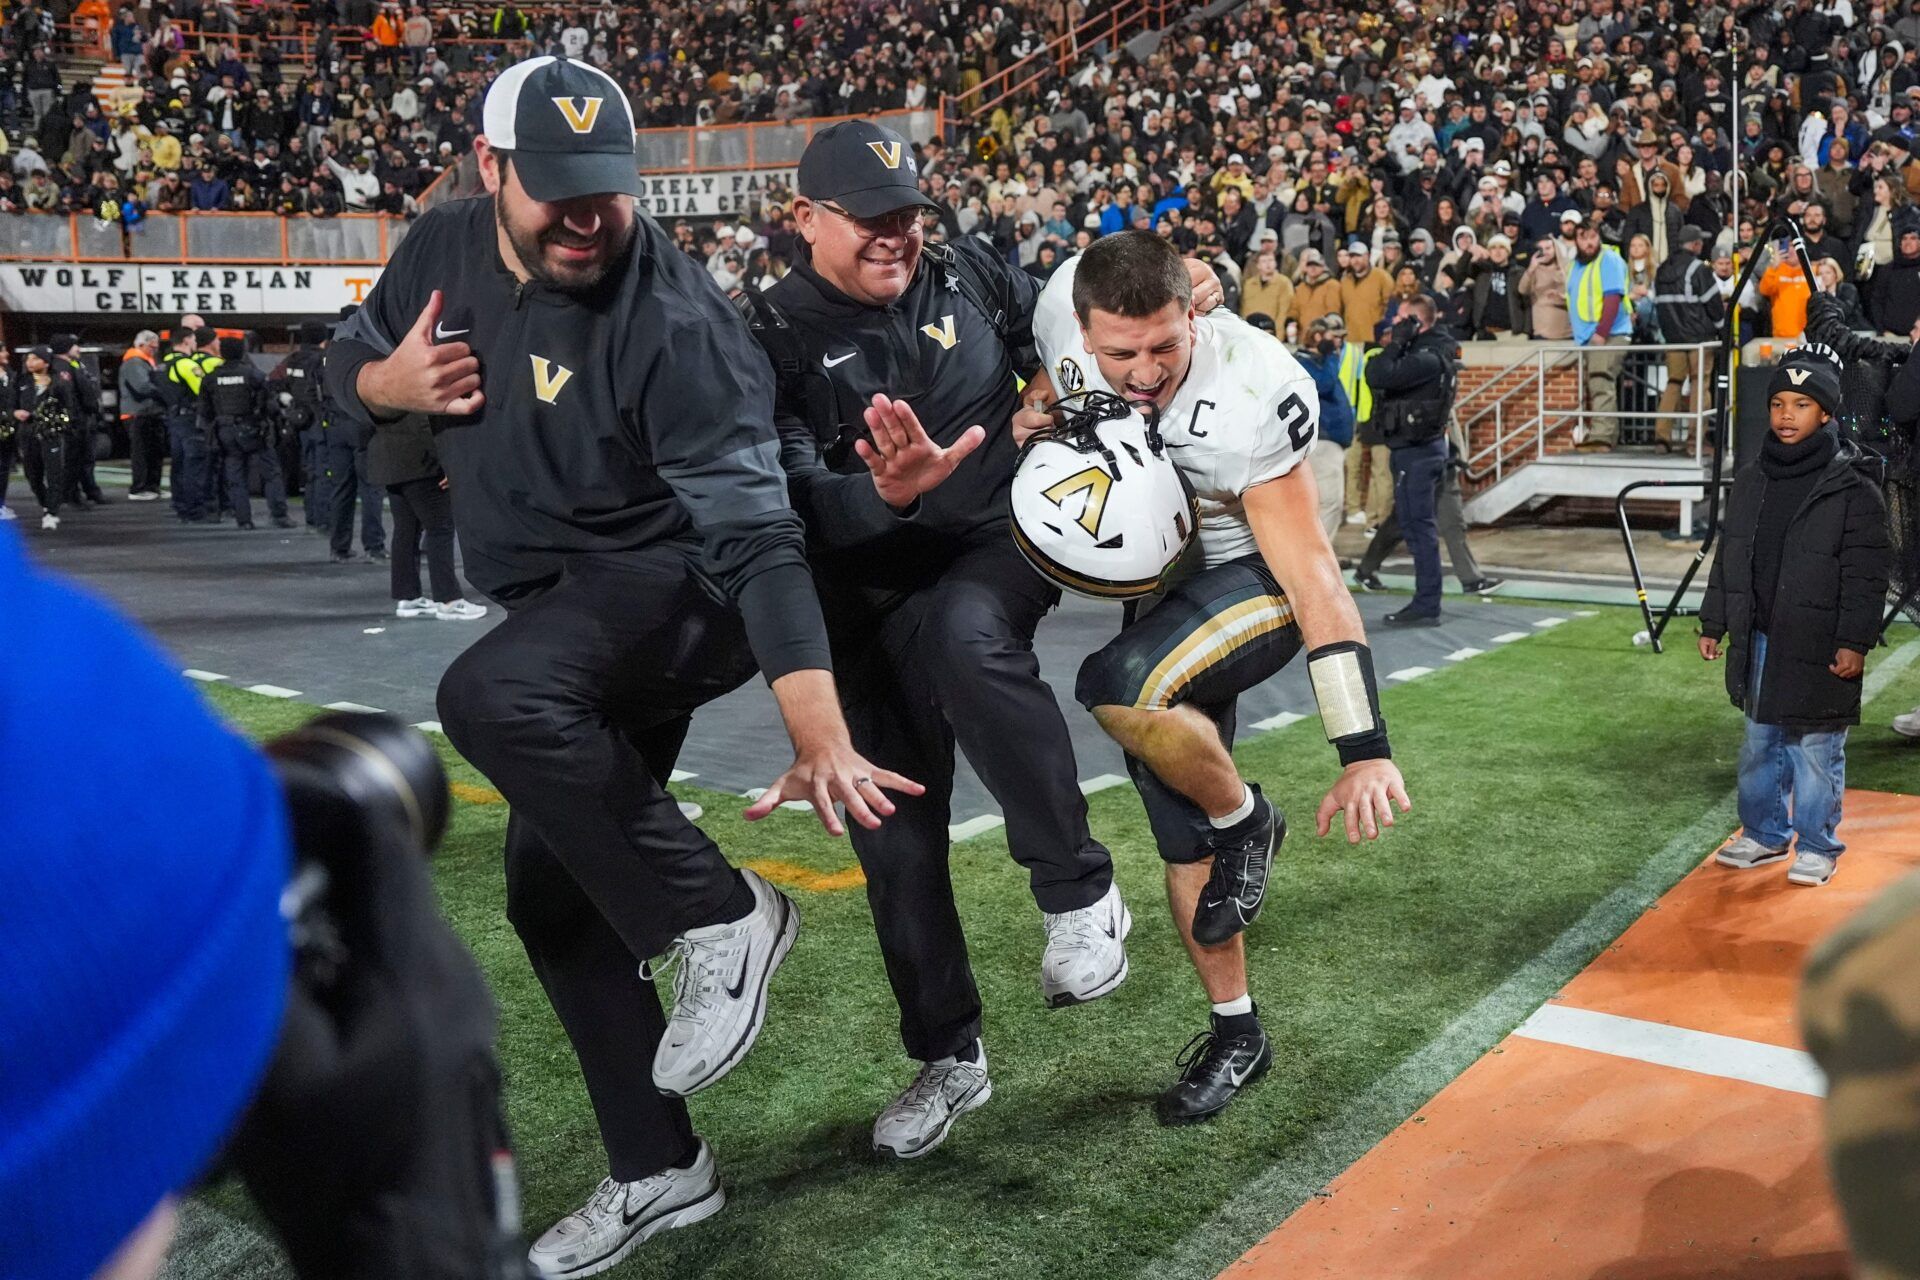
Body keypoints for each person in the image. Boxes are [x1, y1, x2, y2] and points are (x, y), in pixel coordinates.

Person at [324, 56, 919, 1277]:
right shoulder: (438, 249)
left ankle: (725, 915)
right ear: (489, 169)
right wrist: (387, 385)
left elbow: (759, 540)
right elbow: (348, 360)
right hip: (559, 606)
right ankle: (663, 1168)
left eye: (608, 187)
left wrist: (816, 725)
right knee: (554, 904)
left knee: (487, 691)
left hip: (681, 589)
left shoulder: (677, 322)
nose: (586, 215)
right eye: (554, 188)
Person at [755, 120, 1180, 1159]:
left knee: (965, 633)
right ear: (803, 217)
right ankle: (948, 1053)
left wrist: (1176, 307)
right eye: (871, 217)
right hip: (860, 587)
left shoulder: (969, 266)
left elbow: (1078, 324)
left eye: (908, 213)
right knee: (894, 841)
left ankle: (1080, 892)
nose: (898, 234)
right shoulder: (763, 335)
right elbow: (792, 497)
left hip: (993, 546)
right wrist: (882, 492)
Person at [1022, 231, 1411, 1125]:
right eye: (1120, 352)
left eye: (1166, 344)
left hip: (1255, 583)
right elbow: (1030, 353)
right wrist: (1037, 400)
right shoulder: (1056, 312)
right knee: (1180, 837)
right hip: (1162, 592)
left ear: (1196, 311)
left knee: (1115, 683)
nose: (1147, 370)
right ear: (1079, 327)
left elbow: (1313, 574)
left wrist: (1363, 749)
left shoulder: (1248, 392)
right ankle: (1237, 1030)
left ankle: (1252, 818)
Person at [1699, 347, 1890, 889]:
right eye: (1779, 403)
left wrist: (1854, 639)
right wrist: (1715, 622)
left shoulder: (1853, 487)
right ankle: (1763, 833)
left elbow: (1865, 574)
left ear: (1826, 414)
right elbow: (1730, 555)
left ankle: (1816, 843)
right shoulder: (1753, 477)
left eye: (1801, 405)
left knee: (1814, 747)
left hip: (1820, 639)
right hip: (1760, 635)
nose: (1786, 415)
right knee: (1759, 741)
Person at [1363, 297, 1461, 626]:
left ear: (1418, 323)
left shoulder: (1428, 356)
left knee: (1420, 530)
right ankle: (1425, 601)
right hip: (1417, 450)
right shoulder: (1430, 350)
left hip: (1419, 452)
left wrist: (1398, 343)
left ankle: (1426, 603)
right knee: (1414, 527)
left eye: (1403, 319)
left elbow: (1378, 373)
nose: (1394, 323)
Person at [366, 409, 485, 621]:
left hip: (389, 459)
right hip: (420, 461)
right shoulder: (414, 380)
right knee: (440, 528)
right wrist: (446, 463)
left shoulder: (385, 380)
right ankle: (449, 600)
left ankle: (408, 597)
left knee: (406, 529)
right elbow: (423, 423)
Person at [200, 335, 293, 531]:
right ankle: (279, 515)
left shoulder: (211, 377)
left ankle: (244, 520)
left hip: (225, 431)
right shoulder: (253, 375)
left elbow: (205, 410)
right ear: (242, 351)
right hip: (254, 429)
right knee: (271, 472)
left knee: (235, 476)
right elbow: (269, 404)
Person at [1650, 225, 1724, 452]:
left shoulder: (1662, 270)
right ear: (1694, 244)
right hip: (1699, 339)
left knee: (1672, 384)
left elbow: (1657, 306)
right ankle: (1695, 441)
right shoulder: (1698, 269)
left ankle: (1662, 438)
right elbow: (1714, 305)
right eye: (1699, 242)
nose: (1701, 245)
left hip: (1673, 339)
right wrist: (1722, 329)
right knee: (1699, 385)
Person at [326, 306, 388, 564]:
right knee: (371, 489)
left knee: (341, 489)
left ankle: (338, 547)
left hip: (334, 426)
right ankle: (373, 546)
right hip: (362, 426)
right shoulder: (363, 351)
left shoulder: (329, 354)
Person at [1566, 217, 1633, 451]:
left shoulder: (1609, 259)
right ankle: (1603, 434)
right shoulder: (1576, 264)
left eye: (1593, 237)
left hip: (1609, 333)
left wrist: (1601, 333)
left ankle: (1602, 437)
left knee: (1600, 380)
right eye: (1583, 238)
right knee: (1597, 383)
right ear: (1576, 239)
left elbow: (1613, 298)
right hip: (1588, 336)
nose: (1589, 243)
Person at [267, 320, 332, 531]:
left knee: (310, 470)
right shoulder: (321, 360)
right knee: (323, 471)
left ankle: (311, 517)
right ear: (323, 338)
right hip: (321, 421)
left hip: (300, 422)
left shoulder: (292, 360)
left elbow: (274, 382)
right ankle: (322, 519)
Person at [1295, 314, 1354, 536]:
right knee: (1328, 502)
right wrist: (1330, 356)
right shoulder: (1302, 362)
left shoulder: (1318, 360)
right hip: (1321, 441)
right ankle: (1318, 560)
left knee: (1329, 503)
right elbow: (1324, 384)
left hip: (1331, 441)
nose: (1337, 342)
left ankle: (1320, 557)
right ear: (1318, 336)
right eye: (1332, 337)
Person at [16, 345, 79, 531]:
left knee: (54, 474)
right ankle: (45, 502)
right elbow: (11, 404)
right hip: (27, 435)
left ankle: (52, 512)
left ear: (45, 362)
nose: (30, 363)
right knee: (32, 475)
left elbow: (69, 409)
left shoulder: (59, 383)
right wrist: (14, 412)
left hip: (51, 435)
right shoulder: (21, 382)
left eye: (34, 359)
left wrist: (59, 424)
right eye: (28, 359)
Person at [158, 329, 211, 523]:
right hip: (190, 420)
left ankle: (180, 505)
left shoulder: (162, 365)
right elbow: (203, 390)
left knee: (178, 465)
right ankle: (195, 509)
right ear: (187, 341)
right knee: (194, 465)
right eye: (194, 339)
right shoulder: (186, 364)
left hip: (173, 419)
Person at [49, 333, 107, 507]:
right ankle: (71, 495)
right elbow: (69, 397)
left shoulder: (72, 365)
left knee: (82, 460)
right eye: (74, 345)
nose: (78, 349)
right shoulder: (62, 368)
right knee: (73, 461)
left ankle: (85, 492)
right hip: (75, 422)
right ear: (66, 348)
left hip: (81, 420)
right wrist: (75, 418)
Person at [117, 328, 168, 499]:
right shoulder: (134, 362)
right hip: (138, 413)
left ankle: (152, 487)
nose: (154, 350)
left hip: (149, 413)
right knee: (142, 453)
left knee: (153, 452)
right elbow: (142, 387)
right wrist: (165, 391)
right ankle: (139, 488)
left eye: (155, 347)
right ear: (140, 345)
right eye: (151, 347)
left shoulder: (145, 361)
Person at [0, 346, 18, 522]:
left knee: (4, 467)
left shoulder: (10, 374)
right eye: (2, 351)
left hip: (7, 429)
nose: (6, 354)